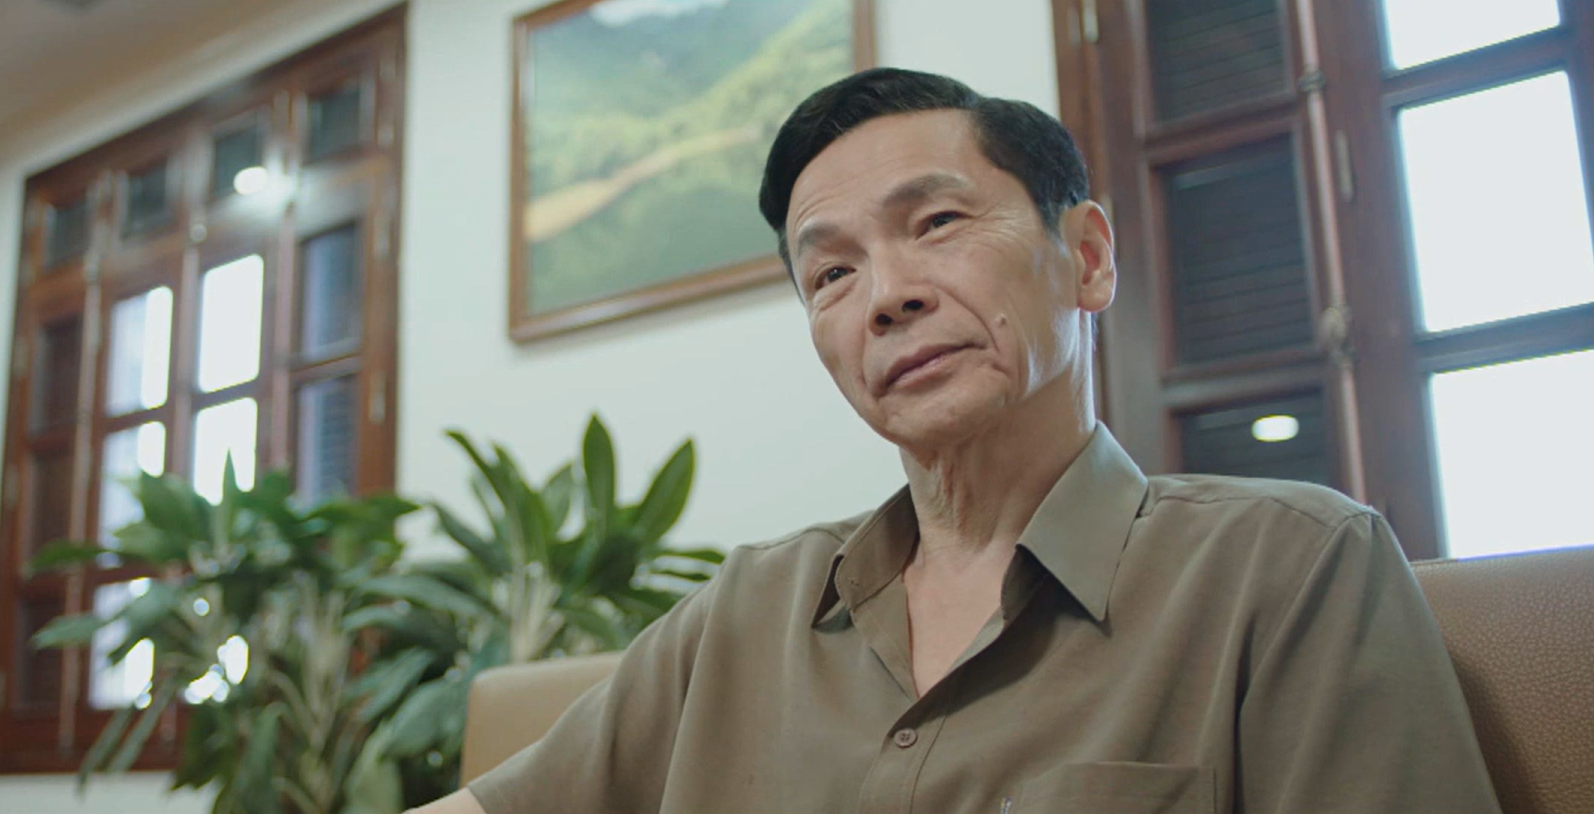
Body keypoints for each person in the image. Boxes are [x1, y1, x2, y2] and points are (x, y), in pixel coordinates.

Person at [409, 68, 1499, 814]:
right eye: (831, 272)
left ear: (1087, 258)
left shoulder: (1288, 569)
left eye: (935, 223)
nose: (885, 295)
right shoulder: (747, 610)